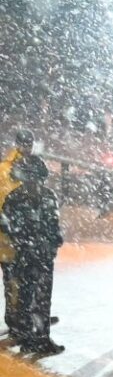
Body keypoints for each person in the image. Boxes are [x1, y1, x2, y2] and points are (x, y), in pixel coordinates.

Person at [1, 150, 65, 356]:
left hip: (44, 256)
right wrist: (23, 240)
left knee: (43, 298)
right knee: (25, 298)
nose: (34, 183)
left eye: (37, 178)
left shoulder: (49, 196)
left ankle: (42, 338)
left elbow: (54, 225)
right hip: (25, 255)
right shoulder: (14, 199)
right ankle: (28, 338)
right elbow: (6, 225)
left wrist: (54, 243)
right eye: (30, 178)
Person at [0, 128, 29, 341]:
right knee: (13, 279)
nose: (27, 148)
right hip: (9, 235)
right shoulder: (5, 170)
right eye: (25, 143)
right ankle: (15, 320)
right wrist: (7, 224)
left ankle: (21, 318)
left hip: (24, 236)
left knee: (21, 279)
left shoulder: (30, 169)